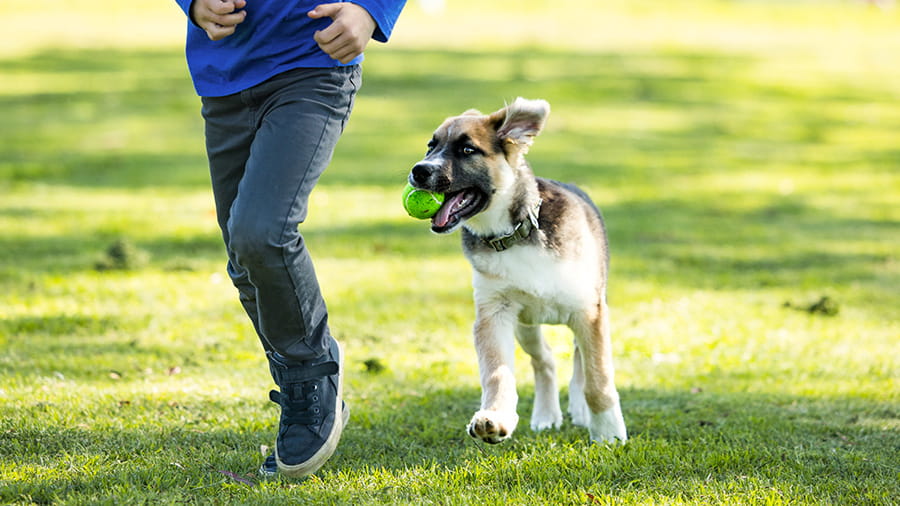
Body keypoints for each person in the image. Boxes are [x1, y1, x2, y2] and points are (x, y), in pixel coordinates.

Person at [173, 0, 406, 478]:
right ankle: (304, 375)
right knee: (244, 256)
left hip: (312, 64)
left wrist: (371, 11)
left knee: (263, 233)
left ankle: (310, 376)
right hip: (224, 75)